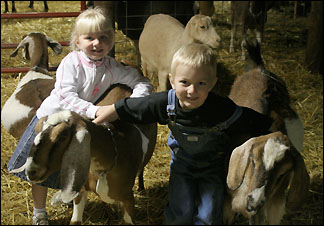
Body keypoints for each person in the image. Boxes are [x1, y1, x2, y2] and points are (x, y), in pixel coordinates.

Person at [93, 43, 273, 225]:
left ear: (213, 83)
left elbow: (248, 119)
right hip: (182, 165)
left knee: (209, 214)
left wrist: (272, 127)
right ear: (172, 81)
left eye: (201, 84)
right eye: (185, 82)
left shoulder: (221, 108)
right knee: (181, 209)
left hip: (212, 168)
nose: (192, 91)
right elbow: (138, 107)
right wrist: (112, 110)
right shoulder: (166, 102)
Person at [7, 7, 153, 225]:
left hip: (77, 125)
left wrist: (124, 106)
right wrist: (96, 111)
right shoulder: (71, 62)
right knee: (41, 167)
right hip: (51, 120)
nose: (97, 43)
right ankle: (39, 212)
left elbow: (143, 83)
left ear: (111, 40)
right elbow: (66, 97)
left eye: (103, 37)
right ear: (77, 41)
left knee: (71, 164)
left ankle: (68, 192)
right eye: (89, 38)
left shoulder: (112, 67)